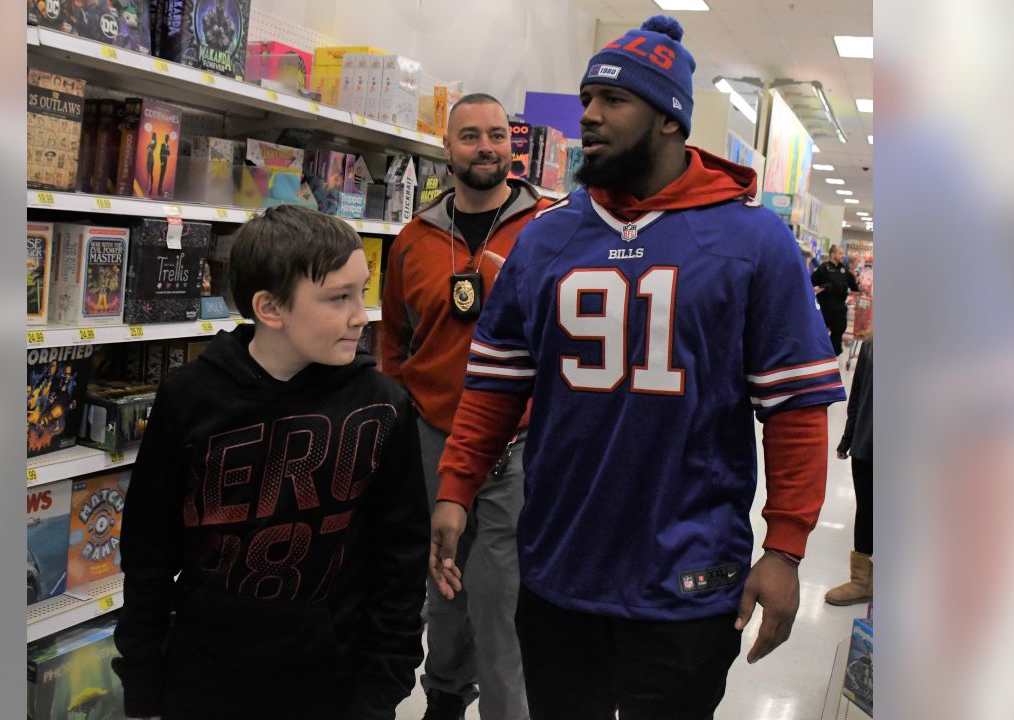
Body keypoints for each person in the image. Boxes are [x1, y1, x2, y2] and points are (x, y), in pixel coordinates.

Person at [428, 15, 847, 720]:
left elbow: (795, 409)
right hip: (560, 562)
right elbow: (497, 384)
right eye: (587, 95)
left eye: (613, 100)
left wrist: (787, 547)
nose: (589, 114)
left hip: (690, 573)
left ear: (669, 121)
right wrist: (456, 485)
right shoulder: (548, 238)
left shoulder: (753, 242)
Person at [112, 205, 428, 720]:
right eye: (338, 298)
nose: (360, 315)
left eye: (362, 292)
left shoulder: (383, 407)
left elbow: (400, 563)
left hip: (333, 685)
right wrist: (144, 680)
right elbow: (148, 549)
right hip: (202, 678)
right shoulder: (189, 398)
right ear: (271, 308)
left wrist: (379, 692)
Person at [380, 93, 551, 720]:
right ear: (446, 149)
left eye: (498, 135)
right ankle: (447, 696)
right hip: (433, 434)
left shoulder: (551, 228)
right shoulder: (413, 239)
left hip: (521, 439)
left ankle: (510, 709)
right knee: (443, 576)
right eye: (471, 136)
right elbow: (393, 341)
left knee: (501, 589)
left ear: (514, 145)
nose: (486, 147)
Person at [827, 331, 874, 605]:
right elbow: (858, 394)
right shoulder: (872, 344)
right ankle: (862, 581)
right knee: (866, 508)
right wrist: (849, 437)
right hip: (868, 444)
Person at [812, 244, 860, 355]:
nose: (843, 256)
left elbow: (854, 286)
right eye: (840, 253)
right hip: (824, 307)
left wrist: (860, 288)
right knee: (819, 332)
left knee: (839, 331)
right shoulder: (823, 268)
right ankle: (819, 353)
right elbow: (811, 284)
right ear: (833, 254)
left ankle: (834, 354)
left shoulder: (844, 269)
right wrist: (823, 287)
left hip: (839, 307)